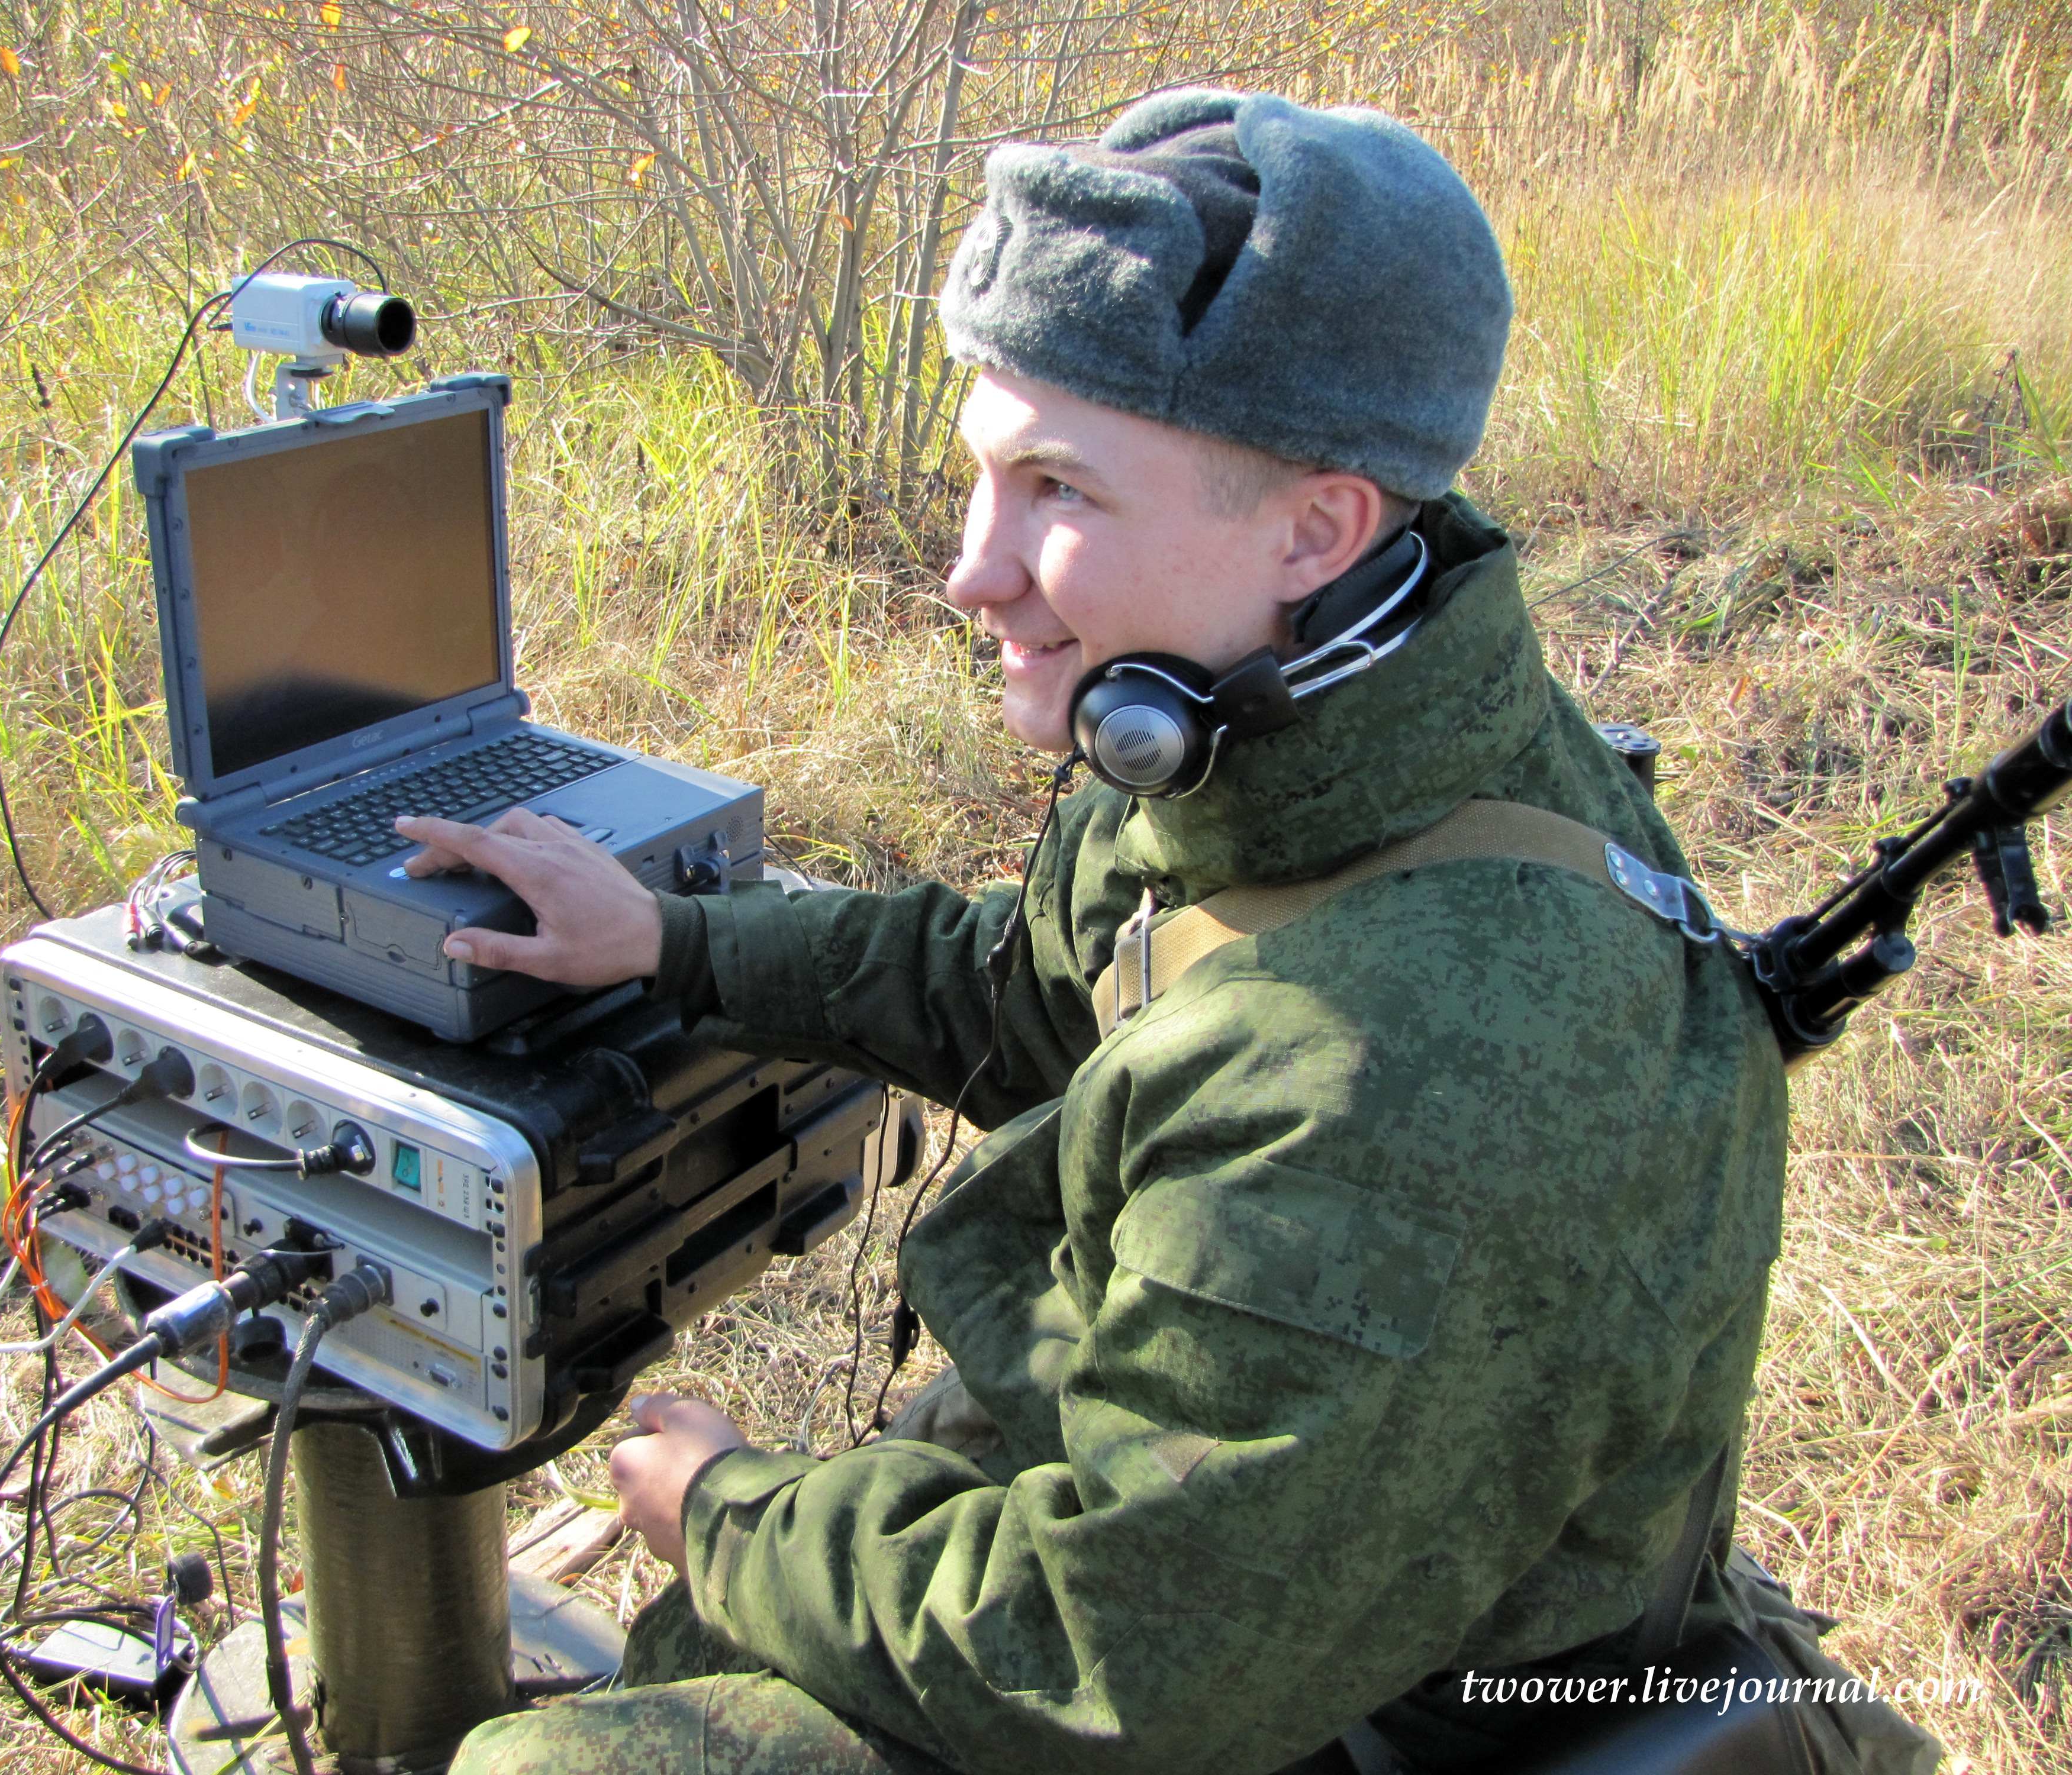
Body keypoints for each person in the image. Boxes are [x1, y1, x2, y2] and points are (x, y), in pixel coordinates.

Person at [407, 88, 1790, 1775]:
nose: (972, 574)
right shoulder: (1305, 737)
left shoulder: (1379, 1074)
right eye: (986, 470)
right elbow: (1038, 979)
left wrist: (734, 1513)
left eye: (1057, 488)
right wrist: (677, 948)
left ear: (1317, 526)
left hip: (1361, 1709)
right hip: (1248, 1563)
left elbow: (1104, 1665)